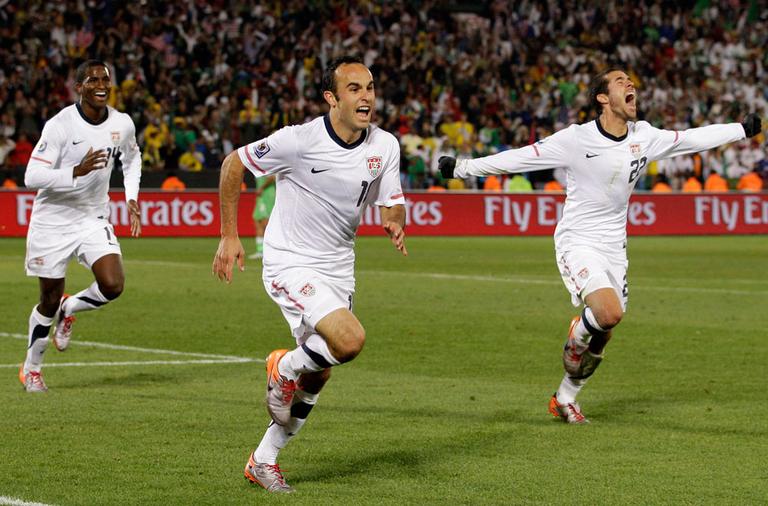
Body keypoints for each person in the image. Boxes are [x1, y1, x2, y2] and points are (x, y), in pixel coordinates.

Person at [439, 68, 762, 424]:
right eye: (621, 81)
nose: (631, 85)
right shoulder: (576, 140)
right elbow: (521, 157)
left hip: (614, 246)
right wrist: (462, 168)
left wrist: (741, 130)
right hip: (578, 239)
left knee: (605, 332)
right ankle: (578, 333)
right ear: (602, 98)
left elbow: (690, 138)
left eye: (632, 82)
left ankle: (565, 397)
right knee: (607, 315)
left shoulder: (644, 135)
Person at [212, 56, 407, 493]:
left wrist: (394, 219)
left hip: (339, 268)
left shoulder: (385, 146)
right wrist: (230, 236)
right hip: (290, 262)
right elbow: (233, 164)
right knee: (350, 340)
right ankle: (283, 365)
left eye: (370, 87)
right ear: (331, 98)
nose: (366, 96)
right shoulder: (298, 141)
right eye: (354, 89)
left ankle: (263, 460)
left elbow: (391, 200)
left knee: (319, 373)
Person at [20, 60, 142, 392]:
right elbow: (32, 176)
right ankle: (32, 368)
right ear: (79, 87)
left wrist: (131, 196)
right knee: (47, 299)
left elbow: (132, 159)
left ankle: (70, 307)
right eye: (93, 80)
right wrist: (75, 171)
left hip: (92, 217)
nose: (102, 84)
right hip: (53, 221)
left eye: (106, 79)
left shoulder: (122, 123)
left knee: (113, 284)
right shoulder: (60, 125)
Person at [248, 175, 275, 259]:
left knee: (266, 223)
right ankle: (260, 251)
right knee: (258, 220)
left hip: (267, 195)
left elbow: (272, 177)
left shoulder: (268, 164)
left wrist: (262, 187)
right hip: (261, 196)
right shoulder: (259, 165)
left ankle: (270, 250)